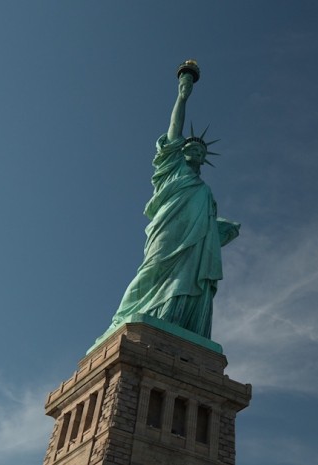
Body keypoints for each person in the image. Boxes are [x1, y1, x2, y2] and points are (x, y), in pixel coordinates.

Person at [97, 63, 239, 344]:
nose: (196, 150)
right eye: (191, 147)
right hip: (168, 228)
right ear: (181, 151)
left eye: (201, 150)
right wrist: (183, 96)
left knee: (188, 278)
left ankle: (179, 322)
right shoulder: (172, 168)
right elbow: (175, 129)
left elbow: (205, 223)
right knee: (152, 269)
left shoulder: (205, 190)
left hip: (195, 245)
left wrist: (218, 228)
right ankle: (123, 318)